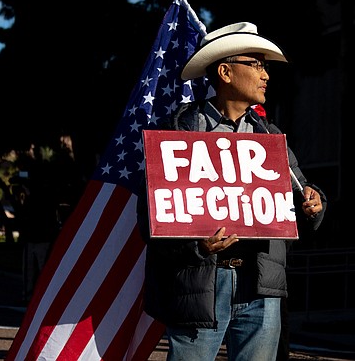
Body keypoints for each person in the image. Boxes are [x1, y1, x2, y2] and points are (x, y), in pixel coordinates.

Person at [137, 22, 327, 361]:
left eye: (265, 66)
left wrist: (313, 203)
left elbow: (301, 197)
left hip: (260, 289)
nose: (265, 74)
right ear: (225, 71)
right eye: (256, 64)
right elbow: (150, 218)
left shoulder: (270, 137)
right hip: (199, 288)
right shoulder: (178, 133)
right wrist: (197, 247)